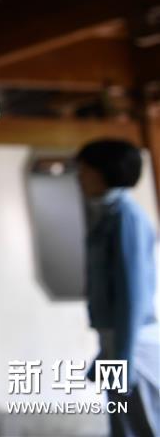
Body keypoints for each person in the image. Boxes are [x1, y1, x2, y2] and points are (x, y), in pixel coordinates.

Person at [77, 139, 159, 436]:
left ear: (104, 172)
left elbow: (132, 296)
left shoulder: (126, 217)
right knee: (122, 424)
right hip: (117, 340)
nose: (80, 177)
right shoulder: (108, 215)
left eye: (85, 170)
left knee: (142, 425)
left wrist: (122, 358)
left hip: (133, 342)